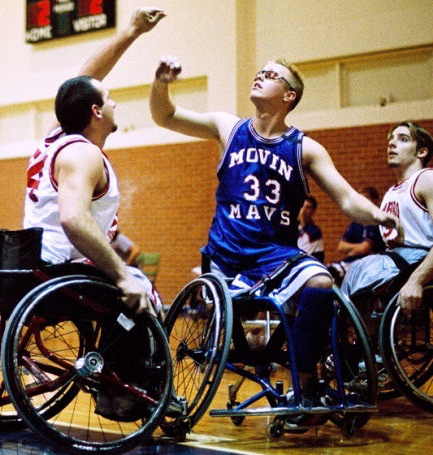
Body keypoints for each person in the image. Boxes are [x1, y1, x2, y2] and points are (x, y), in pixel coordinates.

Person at [150, 55, 397, 405]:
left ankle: (305, 384)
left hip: (276, 256)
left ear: (289, 96)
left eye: (271, 75)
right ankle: (259, 352)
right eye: (259, 72)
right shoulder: (228, 127)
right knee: (249, 321)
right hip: (228, 253)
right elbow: (165, 116)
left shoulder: (305, 148)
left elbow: (346, 198)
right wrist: (161, 84)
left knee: (322, 282)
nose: (260, 77)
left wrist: (378, 215)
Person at [24, 7, 166, 316]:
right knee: (146, 294)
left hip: (34, 263)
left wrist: (132, 31)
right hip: (63, 270)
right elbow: (73, 219)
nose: (115, 102)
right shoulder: (82, 152)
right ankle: (130, 365)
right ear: (97, 111)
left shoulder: (55, 138)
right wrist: (122, 275)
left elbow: (84, 80)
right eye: (109, 97)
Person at [342, 121, 433, 315]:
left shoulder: (426, 179)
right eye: (391, 139)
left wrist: (416, 280)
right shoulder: (391, 192)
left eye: (403, 139)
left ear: (422, 152)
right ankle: (365, 342)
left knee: (362, 275)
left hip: (419, 259)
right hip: (396, 257)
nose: (391, 144)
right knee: (354, 274)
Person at [328, 186, 384, 284]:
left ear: (375, 201)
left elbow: (364, 249)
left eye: (365, 199)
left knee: (331, 273)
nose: (362, 203)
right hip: (352, 261)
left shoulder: (377, 221)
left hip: (369, 264)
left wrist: (351, 250)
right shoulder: (357, 221)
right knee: (325, 272)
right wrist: (356, 250)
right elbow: (341, 247)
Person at [297, 195, 325, 263]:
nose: (303, 210)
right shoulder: (292, 227)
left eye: (307, 207)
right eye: (302, 206)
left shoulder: (314, 232)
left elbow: (302, 254)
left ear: (313, 211)